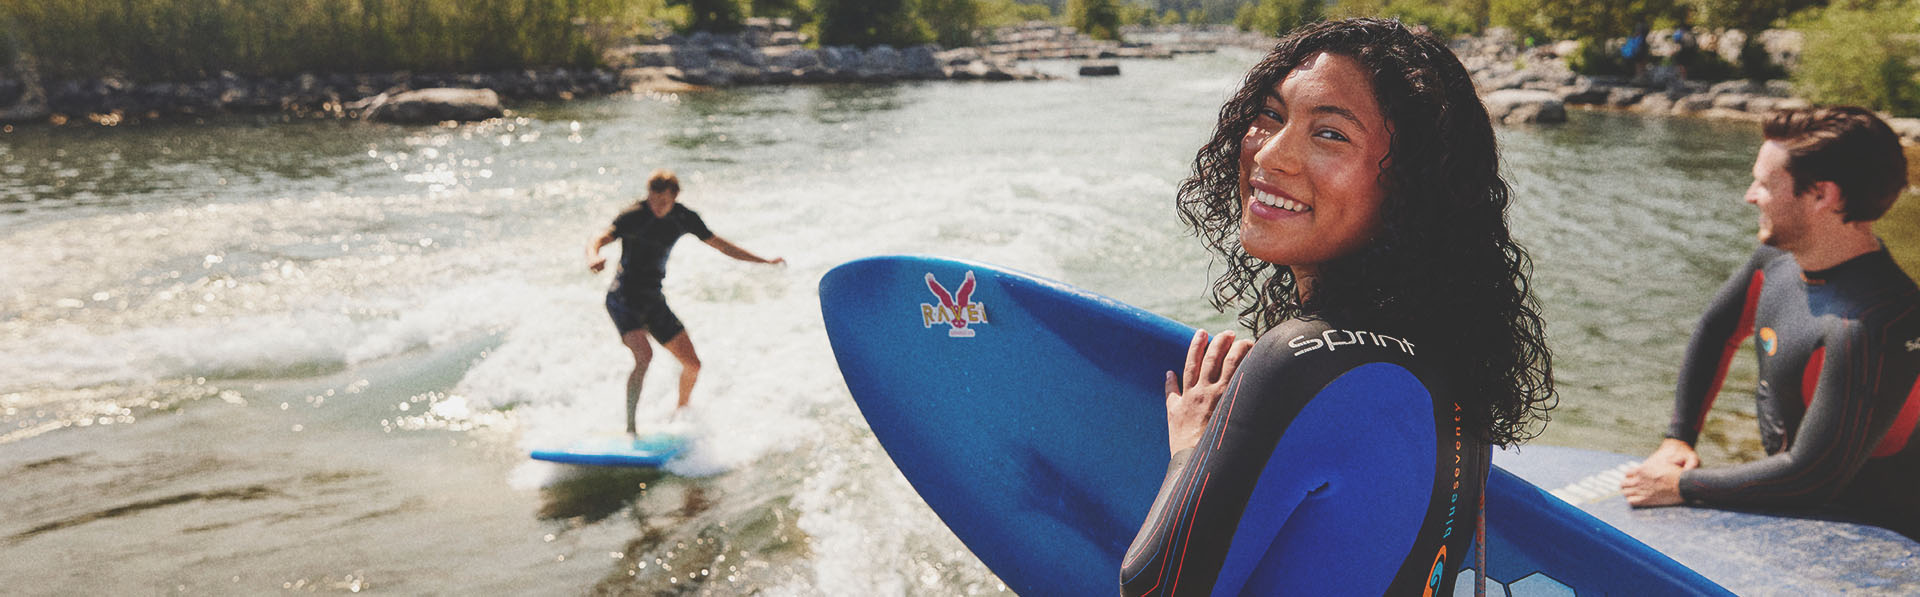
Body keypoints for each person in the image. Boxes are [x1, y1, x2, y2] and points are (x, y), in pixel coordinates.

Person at [1119, 19, 1557, 596]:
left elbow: (1152, 588)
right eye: (1271, 116)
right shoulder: (1449, 367)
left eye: (1330, 135)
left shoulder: (1302, 362)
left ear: (1410, 186)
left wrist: (1190, 455)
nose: (1270, 156)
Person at [1622, 107, 1919, 540]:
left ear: (1823, 196)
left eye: (1764, 182)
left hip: (1880, 540)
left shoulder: (1875, 321)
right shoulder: (1777, 261)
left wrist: (1679, 485)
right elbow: (1716, 332)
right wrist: (1679, 439)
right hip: (1795, 511)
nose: (1750, 195)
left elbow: (1814, 476)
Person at [586, 169, 784, 434]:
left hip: (653, 299)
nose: (657, 207)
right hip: (623, 299)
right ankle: (630, 430)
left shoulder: (683, 217)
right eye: (653, 200)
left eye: (663, 202)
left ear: (674, 197)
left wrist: (764, 261)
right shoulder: (633, 215)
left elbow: (722, 246)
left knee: (693, 364)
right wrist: (593, 257)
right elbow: (598, 239)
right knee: (644, 356)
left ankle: (680, 413)